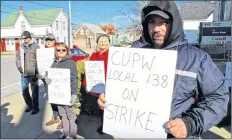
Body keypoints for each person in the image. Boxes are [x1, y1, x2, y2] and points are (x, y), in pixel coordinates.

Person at [97, 1, 229, 139]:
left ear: (174, 24)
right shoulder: (133, 54)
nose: (157, 28)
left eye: (164, 22)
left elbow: (218, 97)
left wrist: (190, 123)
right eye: (152, 22)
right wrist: (108, 99)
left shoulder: (196, 58)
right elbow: (126, 93)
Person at [77, 34, 113, 139]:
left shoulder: (112, 55)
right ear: (97, 43)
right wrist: (85, 83)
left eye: (105, 40)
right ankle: (101, 124)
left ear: (109, 43)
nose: (103, 42)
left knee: (106, 107)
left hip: (107, 85)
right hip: (95, 86)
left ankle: (107, 126)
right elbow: (90, 71)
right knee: (98, 107)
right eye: (101, 41)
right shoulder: (93, 55)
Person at [44, 43, 80, 139]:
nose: (60, 52)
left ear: (67, 51)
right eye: (58, 50)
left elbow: (74, 79)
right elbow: (49, 74)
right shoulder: (54, 62)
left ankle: (72, 135)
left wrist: (74, 94)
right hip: (58, 96)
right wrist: (46, 78)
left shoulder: (70, 62)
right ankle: (66, 133)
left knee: (71, 117)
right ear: (55, 52)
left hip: (67, 95)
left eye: (63, 50)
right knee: (63, 116)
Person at [36, 33, 63, 129]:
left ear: (54, 41)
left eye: (50, 40)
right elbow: (41, 66)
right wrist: (40, 74)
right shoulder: (42, 52)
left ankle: (63, 119)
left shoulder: (60, 49)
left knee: (60, 100)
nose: (48, 42)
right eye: (47, 40)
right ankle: (55, 117)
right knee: (52, 100)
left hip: (58, 80)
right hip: (47, 80)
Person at [16, 31, 40, 115]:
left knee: (34, 92)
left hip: (33, 74)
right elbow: (18, 58)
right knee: (24, 91)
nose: (24, 40)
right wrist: (19, 67)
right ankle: (29, 105)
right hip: (24, 74)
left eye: (25, 38)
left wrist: (37, 73)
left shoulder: (36, 47)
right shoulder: (21, 47)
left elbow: (39, 61)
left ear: (30, 37)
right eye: (22, 38)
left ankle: (36, 107)